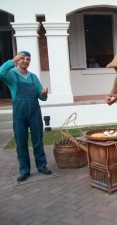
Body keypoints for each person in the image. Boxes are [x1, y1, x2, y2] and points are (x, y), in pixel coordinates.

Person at [0, 51, 52, 182]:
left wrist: (44, 93)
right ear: (17, 60)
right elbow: (1, 72)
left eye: (28, 59)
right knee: (21, 142)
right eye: (22, 58)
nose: (25, 61)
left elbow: (41, 96)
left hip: (34, 112)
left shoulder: (33, 77)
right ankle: (24, 170)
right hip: (19, 113)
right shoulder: (11, 75)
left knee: (38, 141)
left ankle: (42, 166)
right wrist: (12, 61)